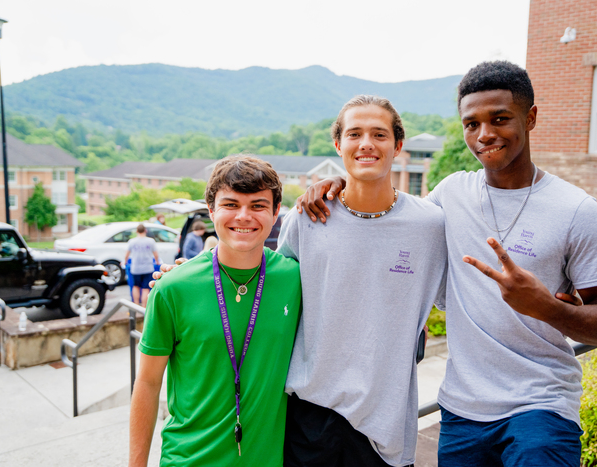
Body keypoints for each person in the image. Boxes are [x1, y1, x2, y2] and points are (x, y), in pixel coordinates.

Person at [297, 61, 597, 467]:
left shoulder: (577, 210)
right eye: (472, 124)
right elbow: (391, 216)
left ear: (531, 117)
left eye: (500, 119)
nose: (485, 134)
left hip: (540, 408)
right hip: (462, 411)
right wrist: (339, 184)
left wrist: (546, 307)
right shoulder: (451, 195)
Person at [153, 96, 448, 466]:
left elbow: (459, 302)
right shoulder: (307, 218)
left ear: (398, 146)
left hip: (385, 427)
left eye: (379, 134)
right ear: (339, 145)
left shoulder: (429, 225)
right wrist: (183, 274)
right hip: (309, 416)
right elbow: (263, 276)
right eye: (355, 133)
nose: (367, 143)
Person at [129, 155, 301, 467]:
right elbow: (148, 383)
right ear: (211, 210)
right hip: (188, 459)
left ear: (276, 212)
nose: (244, 216)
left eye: (258, 205)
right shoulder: (172, 288)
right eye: (231, 204)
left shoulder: (296, 279)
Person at [122, 224, 160, 307]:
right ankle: (144, 307)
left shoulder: (132, 241)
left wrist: (124, 262)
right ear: (145, 231)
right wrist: (157, 261)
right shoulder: (151, 241)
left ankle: (136, 305)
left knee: (136, 286)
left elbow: (126, 255)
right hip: (148, 268)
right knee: (145, 288)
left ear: (136, 231)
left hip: (135, 268)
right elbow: (156, 255)